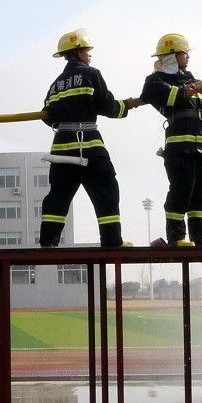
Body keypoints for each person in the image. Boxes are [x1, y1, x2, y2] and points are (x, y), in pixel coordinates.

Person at [38, 29, 142, 248]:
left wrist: (65, 120)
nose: (89, 53)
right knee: (107, 192)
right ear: (76, 52)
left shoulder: (55, 85)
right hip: (89, 146)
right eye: (86, 49)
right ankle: (112, 241)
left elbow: (47, 116)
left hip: (61, 150)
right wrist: (127, 106)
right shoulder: (91, 74)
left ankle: (48, 243)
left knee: (58, 196)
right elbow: (109, 106)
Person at [140, 33, 202, 247]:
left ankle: (200, 238)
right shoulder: (156, 81)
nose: (188, 57)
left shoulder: (193, 81)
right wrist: (195, 88)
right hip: (179, 148)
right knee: (181, 190)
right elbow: (159, 94)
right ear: (172, 56)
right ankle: (176, 238)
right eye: (185, 53)